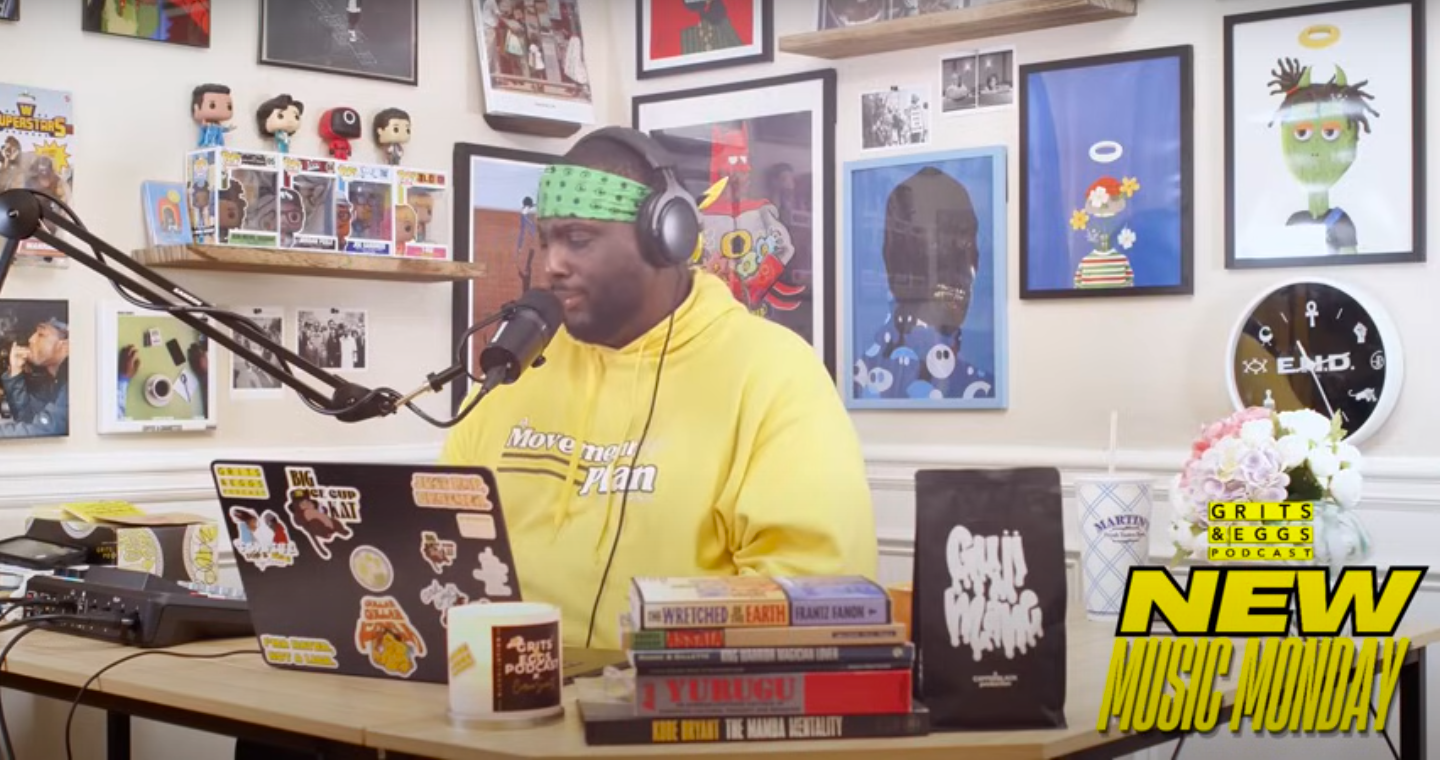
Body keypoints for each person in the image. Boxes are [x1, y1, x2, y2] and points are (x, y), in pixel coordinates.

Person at [439, 128, 877, 652]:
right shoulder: (517, 368)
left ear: (666, 238)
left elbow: (815, 590)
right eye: (547, 240)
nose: (553, 264)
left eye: (578, 239)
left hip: (674, 694)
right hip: (486, 686)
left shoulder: (774, 373)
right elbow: (442, 539)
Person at [0, 317, 69, 438]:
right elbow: (27, 419)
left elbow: (42, 430)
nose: (31, 339)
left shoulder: (72, 384)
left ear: (64, 346)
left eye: (41, 334)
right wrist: (15, 371)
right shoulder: (52, 381)